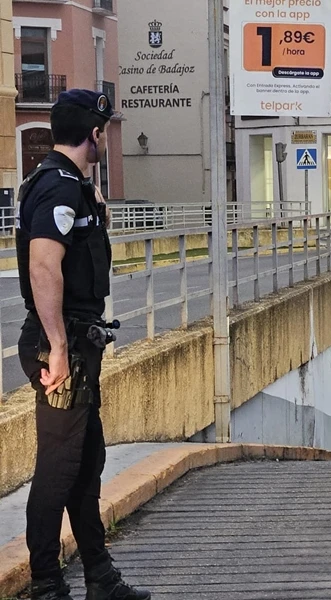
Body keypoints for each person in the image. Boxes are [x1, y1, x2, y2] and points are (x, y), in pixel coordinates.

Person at [15, 90, 150, 600]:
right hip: (61, 345)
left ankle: (101, 577)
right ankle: (47, 583)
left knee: (85, 459)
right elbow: (44, 265)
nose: (106, 135)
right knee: (58, 465)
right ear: (93, 133)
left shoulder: (71, 186)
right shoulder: (58, 187)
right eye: (104, 128)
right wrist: (57, 349)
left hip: (74, 340)